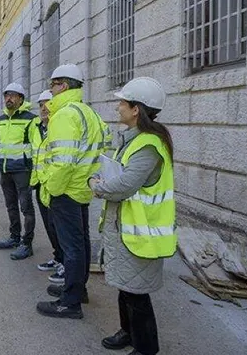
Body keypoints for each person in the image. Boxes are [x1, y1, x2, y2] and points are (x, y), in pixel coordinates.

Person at [89, 77, 176, 355]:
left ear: (136, 109)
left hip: (141, 234)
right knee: (126, 288)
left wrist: (98, 186)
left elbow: (126, 185)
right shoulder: (134, 140)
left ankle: (146, 348)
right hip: (126, 229)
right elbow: (121, 174)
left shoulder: (148, 145)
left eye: (123, 103)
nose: (118, 107)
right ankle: (127, 333)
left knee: (137, 294)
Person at [36, 63, 111, 319]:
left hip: (66, 190)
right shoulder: (88, 113)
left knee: (72, 247)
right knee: (80, 244)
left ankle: (70, 303)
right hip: (81, 188)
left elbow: (63, 161)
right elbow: (104, 147)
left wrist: (51, 189)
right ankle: (78, 290)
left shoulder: (65, 115)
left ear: (64, 86)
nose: (50, 90)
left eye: (53, 85)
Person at [0, 82, 40, 260]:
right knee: (10, 205)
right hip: (5, 170)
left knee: (26, 207)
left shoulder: (30, 119)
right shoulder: (0, 121)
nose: (8, 99)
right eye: (6, 95)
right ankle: (14, 237)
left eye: (12, 95)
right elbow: (1, 144)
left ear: (21, 99)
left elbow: (36, 146)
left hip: (23, 170)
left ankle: (27, 244)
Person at [31, 90, 65, 283]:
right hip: (39, 184)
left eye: (48, 104)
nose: (44, 108)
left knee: (58, 227)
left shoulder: (59, 126)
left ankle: (65, 263)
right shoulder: (36, 127)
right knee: (49, 226)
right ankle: (58, 257)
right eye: (41, 104)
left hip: (54, 185)